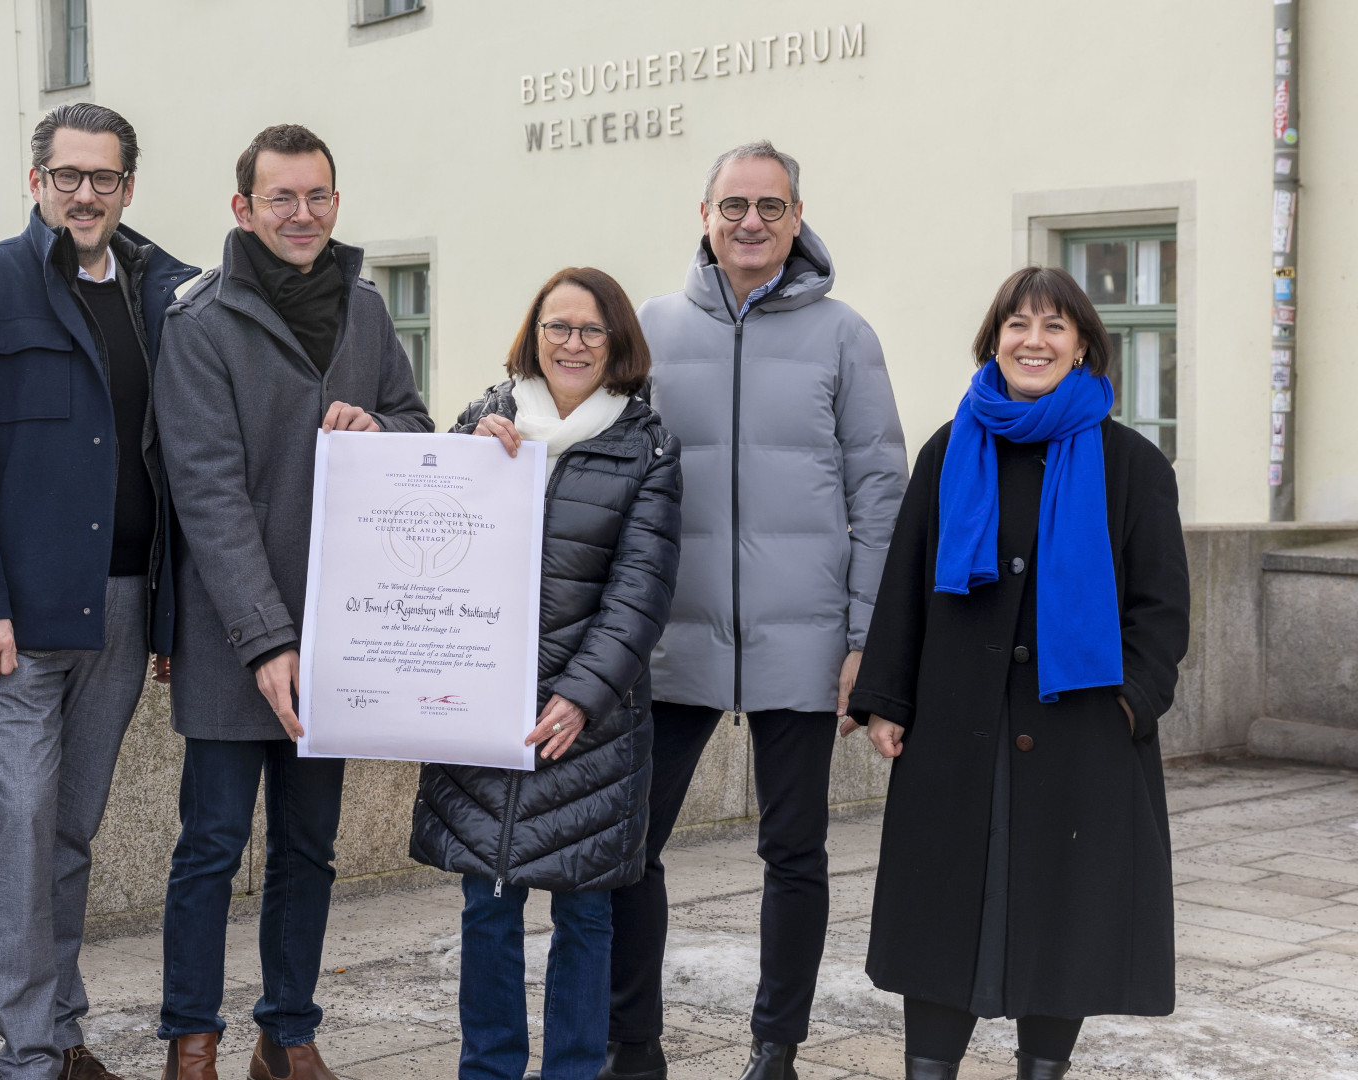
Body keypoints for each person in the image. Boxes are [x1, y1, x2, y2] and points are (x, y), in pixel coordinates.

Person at [0, 104, 200, 1080]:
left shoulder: (165, 295)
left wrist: (169, 617)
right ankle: (30, 1054)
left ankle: (62, 1030)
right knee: (23, 824)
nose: (85, 194)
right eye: (67, 176)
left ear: (128, 188)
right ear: (35, 181)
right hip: (16, 620)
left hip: (123, 606)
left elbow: (183, 458)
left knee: (72, 826)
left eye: (103, 178)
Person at [847, 267, 1188, 1080]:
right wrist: (886, 699)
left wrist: (1130, 706)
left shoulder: (1132, 464)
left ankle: (1043, 1068)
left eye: (1054, 327)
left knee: (1063, 917)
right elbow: (906, 581)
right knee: (940, 912)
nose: (1034, 341)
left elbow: (1161, 610)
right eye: (1018, 325)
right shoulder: (950, 449)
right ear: (994, 340)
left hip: (1080, 735)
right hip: (954, 729)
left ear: (1083, 347)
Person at [613, 140, 908, 1080]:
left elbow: (880, 497)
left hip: (805, 642)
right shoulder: (651, 328)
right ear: (704, 216)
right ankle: (633, 1046)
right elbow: (593, 449)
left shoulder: (845, 336)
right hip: (670, 641)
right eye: (734, 205)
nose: (751, 222)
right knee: (629, 848)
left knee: (795, 852)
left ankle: (776, 1048)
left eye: (770, 207)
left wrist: (864, 641)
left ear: (797, 217)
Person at [152, 123, 432, 1080]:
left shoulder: (366, 309)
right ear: (244, 208)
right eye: (282, 197)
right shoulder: (199, 323)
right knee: (211, 846)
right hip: (233, 637)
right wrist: (267, 641)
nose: (302, 213)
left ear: (336, 203)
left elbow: (416, 424)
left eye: (317, 196)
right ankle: (192, 1041)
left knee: (309, 849)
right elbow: (208, 495)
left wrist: (379, 426)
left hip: (341, 634)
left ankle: (288, 1034)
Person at [411, 267, 682, 1080]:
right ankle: (488, 1069)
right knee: (486, 906)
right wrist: (461, 461)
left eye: (591, 330)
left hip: (589, 721)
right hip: (484, 703)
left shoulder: (646, 445)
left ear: (617, 343)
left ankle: (572, 1069)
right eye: (557, 326)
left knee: (585, 911)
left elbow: (641, 592)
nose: (573, 344)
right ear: (534, 335)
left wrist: (580, 695)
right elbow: (423, 535)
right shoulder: (481, 423)